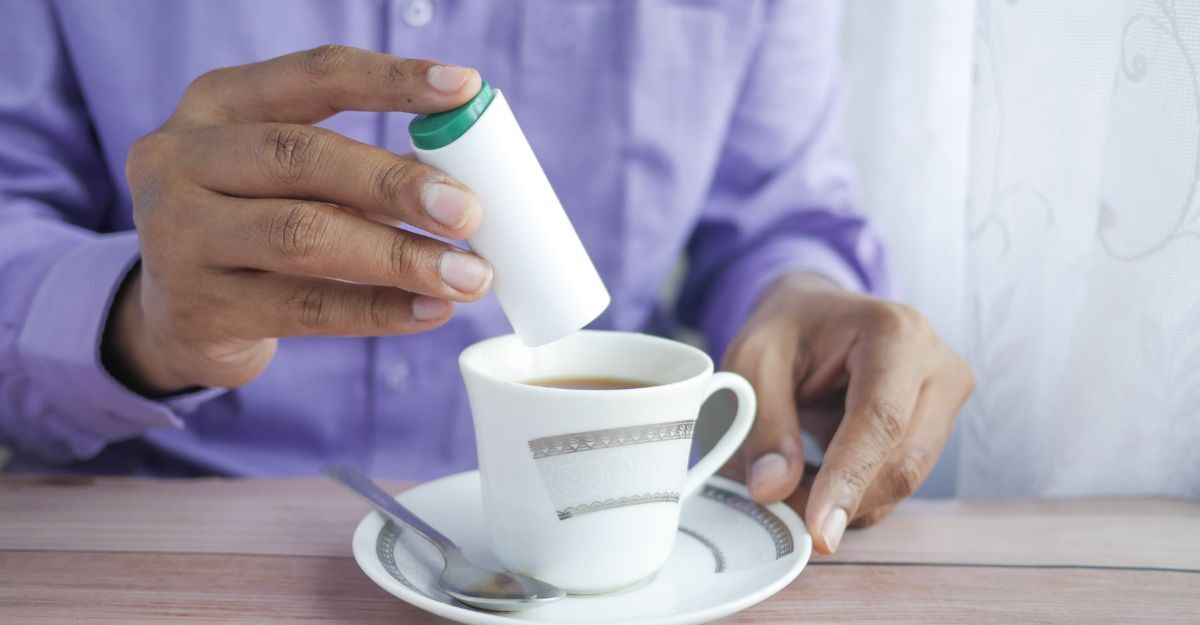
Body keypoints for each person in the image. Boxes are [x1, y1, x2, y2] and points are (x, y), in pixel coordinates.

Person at [0, 0, 971, 555]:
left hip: (606, 549)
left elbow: (774, 215)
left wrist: (802, 301)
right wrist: (144, 322)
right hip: (176, 545)